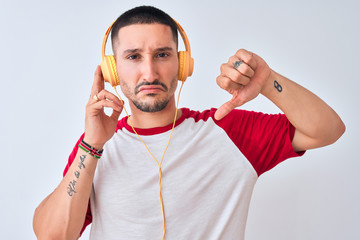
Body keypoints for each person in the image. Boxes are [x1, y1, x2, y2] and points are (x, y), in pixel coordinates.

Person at [33, 5, 345, 240]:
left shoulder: (228, 131)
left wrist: (268, 82)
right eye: (133, 57)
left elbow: (328, 129)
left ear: (183, 64)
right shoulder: (96, 146)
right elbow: (52, 235)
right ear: (112, 71)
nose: (150, 73)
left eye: (162, 54)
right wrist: (91, 145)